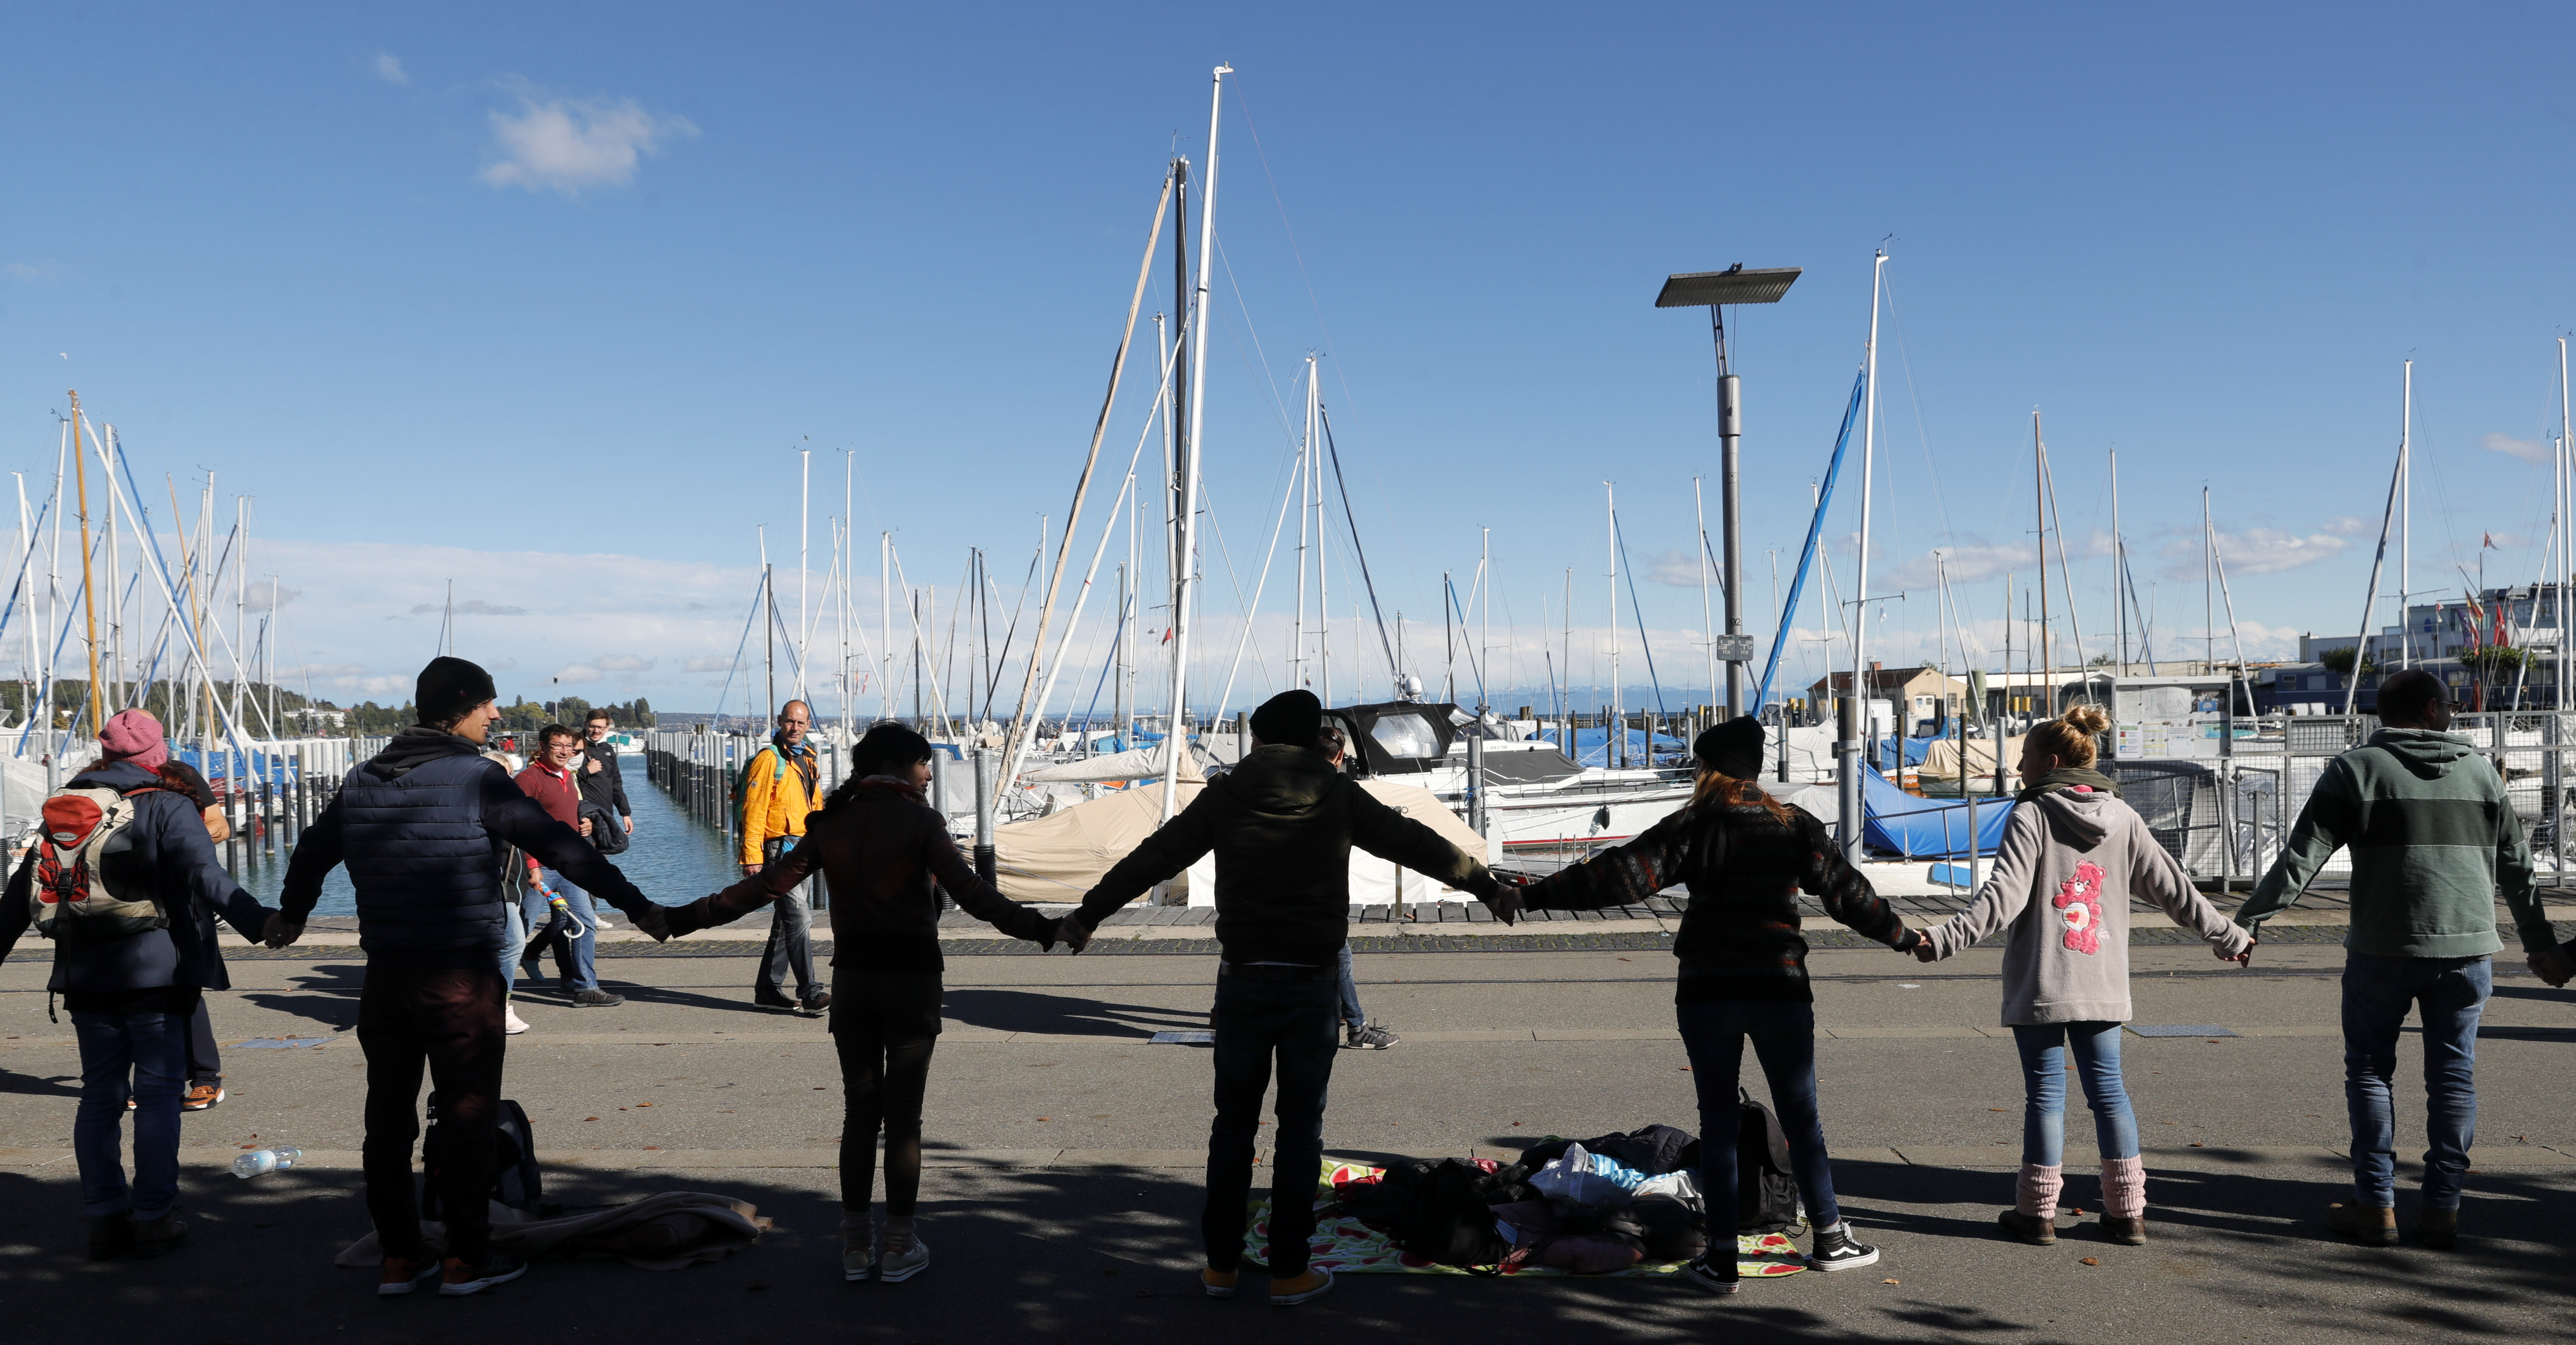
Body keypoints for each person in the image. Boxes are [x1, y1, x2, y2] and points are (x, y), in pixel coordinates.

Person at [1062, 690, 1508, 1307]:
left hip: (1242, 979)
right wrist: (1486, 885)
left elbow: (1154, 857)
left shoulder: (1224, 794)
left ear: (1258, 739)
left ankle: (1219, 1267)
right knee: (1301, 1131)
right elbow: (1417, 843)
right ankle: (1289, 1272)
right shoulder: (1338, 794)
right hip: (1312, 979)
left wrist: (1088, 915)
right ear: (1309, 740)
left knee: (1232, 1127)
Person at [266, 656, 670, 1298]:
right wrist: (640, 906)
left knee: (388, 1121)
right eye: (488, 704)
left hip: (386, 977)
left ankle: (400, 1258)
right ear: (461, 708)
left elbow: (312, 851)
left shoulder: (363, 778)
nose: (497, 715)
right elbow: (562, 847)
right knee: (466, 1117)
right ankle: (465, 1257)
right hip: (459, 977)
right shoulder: (478, 778)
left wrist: (291, 915)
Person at [1509, 715, 1911, 1293]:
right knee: (1802, 1118)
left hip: (1707, 989)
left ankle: (1720, 1258)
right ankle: (1830, 1238)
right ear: (1754, 769)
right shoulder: (1794, 825)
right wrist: (1906, 938)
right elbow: (1849, 895)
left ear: (1708, 767)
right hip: (1779, 987)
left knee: (1719, 1126)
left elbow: (1616, 877)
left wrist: (1529, 896)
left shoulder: (1692, 825)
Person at [666, 722, 1059, 1284]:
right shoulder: (921, 822)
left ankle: (855, 1246)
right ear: (903, 766)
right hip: (912, 984)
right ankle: (898, 1245)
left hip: (852, 984)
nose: (929, 774)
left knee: (859, 1115)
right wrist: (1044, 929)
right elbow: (976, 897)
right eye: (925, 764)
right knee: (902, 1120)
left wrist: (683, 919)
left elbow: (764, 887)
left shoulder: (833, 823)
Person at [2237, 667, 2556, 1250]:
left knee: (2368, 1071)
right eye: (2449, 704)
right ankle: (2441, 1210)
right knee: (2453, 1078)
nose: (2454, 711)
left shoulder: (2355, 769)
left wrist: (2247, 922)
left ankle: (2376, 1205)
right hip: (2466, 950)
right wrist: (2540, 946)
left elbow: (2300, 859)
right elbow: (2517, 868)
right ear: (2432, 710)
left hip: (2381, 949)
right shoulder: (2482, 772)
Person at [1910, 703, 2252, 1246]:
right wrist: (2230, 936)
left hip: (2044, 982)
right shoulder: (2124, 817)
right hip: (2102, 984)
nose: (2017, 769)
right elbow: (2176, 891)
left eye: (2023, 759)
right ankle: (2127, 1214)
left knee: (2045, 1096)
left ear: (2048, 762)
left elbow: (2002, 898)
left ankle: (2037, 1213)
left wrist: (1943, 938)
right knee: (2110, 1095)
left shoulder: (2033, 814)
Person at [0, 708, 275, 1259]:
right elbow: (205, 875)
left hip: (83, 973)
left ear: (106, 756)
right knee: (155, 1097)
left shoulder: (69, 807)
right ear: (156, 754)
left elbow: (17, 894)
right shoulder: (168, 804)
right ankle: (153, 1214)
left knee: (99, 1096)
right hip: (156, 969)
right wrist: (264, 924)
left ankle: (104, 1215)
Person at [151, 753, 236, 1110]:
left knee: (186, 984)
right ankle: (151, 1081)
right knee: (138, 990)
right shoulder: (100, 780)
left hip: (182, 894)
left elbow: (221, 826)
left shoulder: (180, 774)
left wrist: (188, 837)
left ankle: (205, 1078)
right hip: (126, 896)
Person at [513, 726, 617, 1008]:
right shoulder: (528, 779)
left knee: (584, 922)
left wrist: (584, 823)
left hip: (570, 867)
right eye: (557, 745)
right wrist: (532, 866)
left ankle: (586, 987)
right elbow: (519, 827)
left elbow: (569, 812)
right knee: (520, 928)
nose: (564, 751)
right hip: (540, 868)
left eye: (569, 746)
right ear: (543, 746)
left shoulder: (569, 776)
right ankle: (498, 990)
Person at [739, 699, 828, 1016]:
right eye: (790, 722)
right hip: (777, 850)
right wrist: (751, 856)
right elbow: (754, 808)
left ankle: (767, 990)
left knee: (786, 921)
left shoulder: (809, 759)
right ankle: (810, 991)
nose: (794, 728)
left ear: (808, 726)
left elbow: (815, 806)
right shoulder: (769, 759)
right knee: (799, 917)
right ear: (779, 721)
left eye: (801, 723)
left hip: (802, 848)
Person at [1314, 727, 1397, 1051]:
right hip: (1319, 900)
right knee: (1340, 956)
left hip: (1282, 898)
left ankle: (1338, 1016)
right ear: (1338, 757)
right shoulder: (1339, 789)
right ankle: (1357, 1027)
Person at [578, 708, 634, 844]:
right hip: (583, 816)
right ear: (586, 725)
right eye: (593, 726)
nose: (596, 731)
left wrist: (625, 814)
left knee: (602, 860)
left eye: (600, 727)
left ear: (607, 728)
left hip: (605, 815)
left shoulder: (607, 749)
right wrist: (586, 771)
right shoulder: (577, 748)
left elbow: (616, 784)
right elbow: (566, 779)